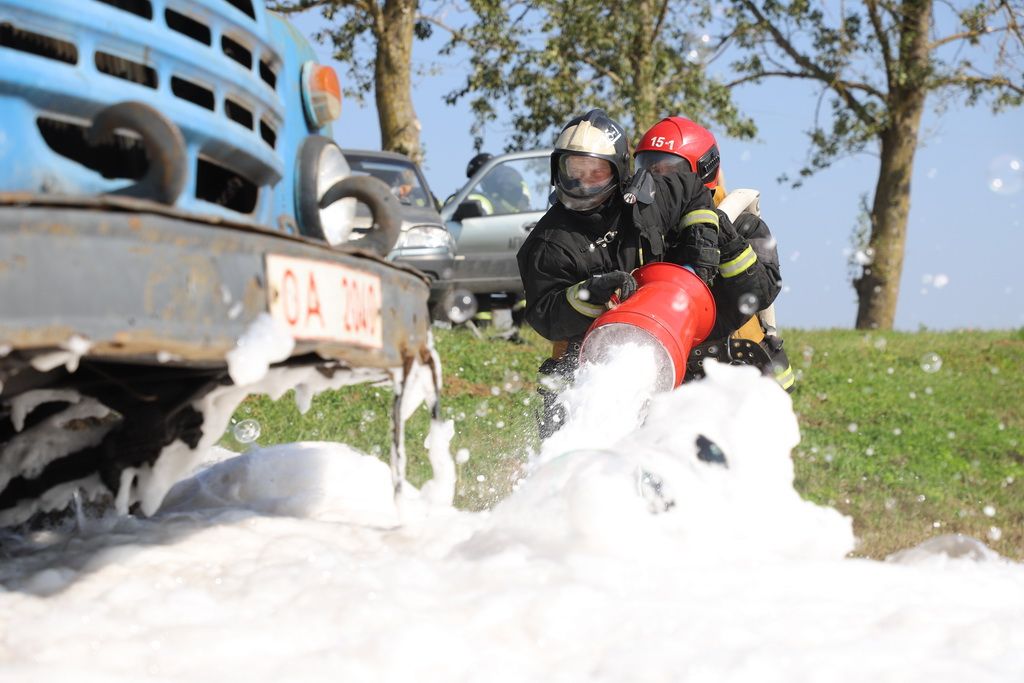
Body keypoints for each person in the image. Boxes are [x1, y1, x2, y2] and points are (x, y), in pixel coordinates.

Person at [516, 108, 734, 438]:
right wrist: (591, 295)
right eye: (573, 171)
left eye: (596, 172)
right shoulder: (549, 242)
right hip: (587, 366)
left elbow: (690, 188)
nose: (583, 183)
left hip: (664, 347)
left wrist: (700, 242)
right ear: (556, 170)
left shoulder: (647, 199)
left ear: (618, 171)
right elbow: (544, 315)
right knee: (578, 460)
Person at [634, 115, 795, 392]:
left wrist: (724, 237)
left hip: (738, 373)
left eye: (671, 172)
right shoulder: (639, 228)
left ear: (704, 172)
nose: (660, 183)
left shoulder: (745, 226)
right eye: (650, 171)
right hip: (666, 368)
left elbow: (760, 294)